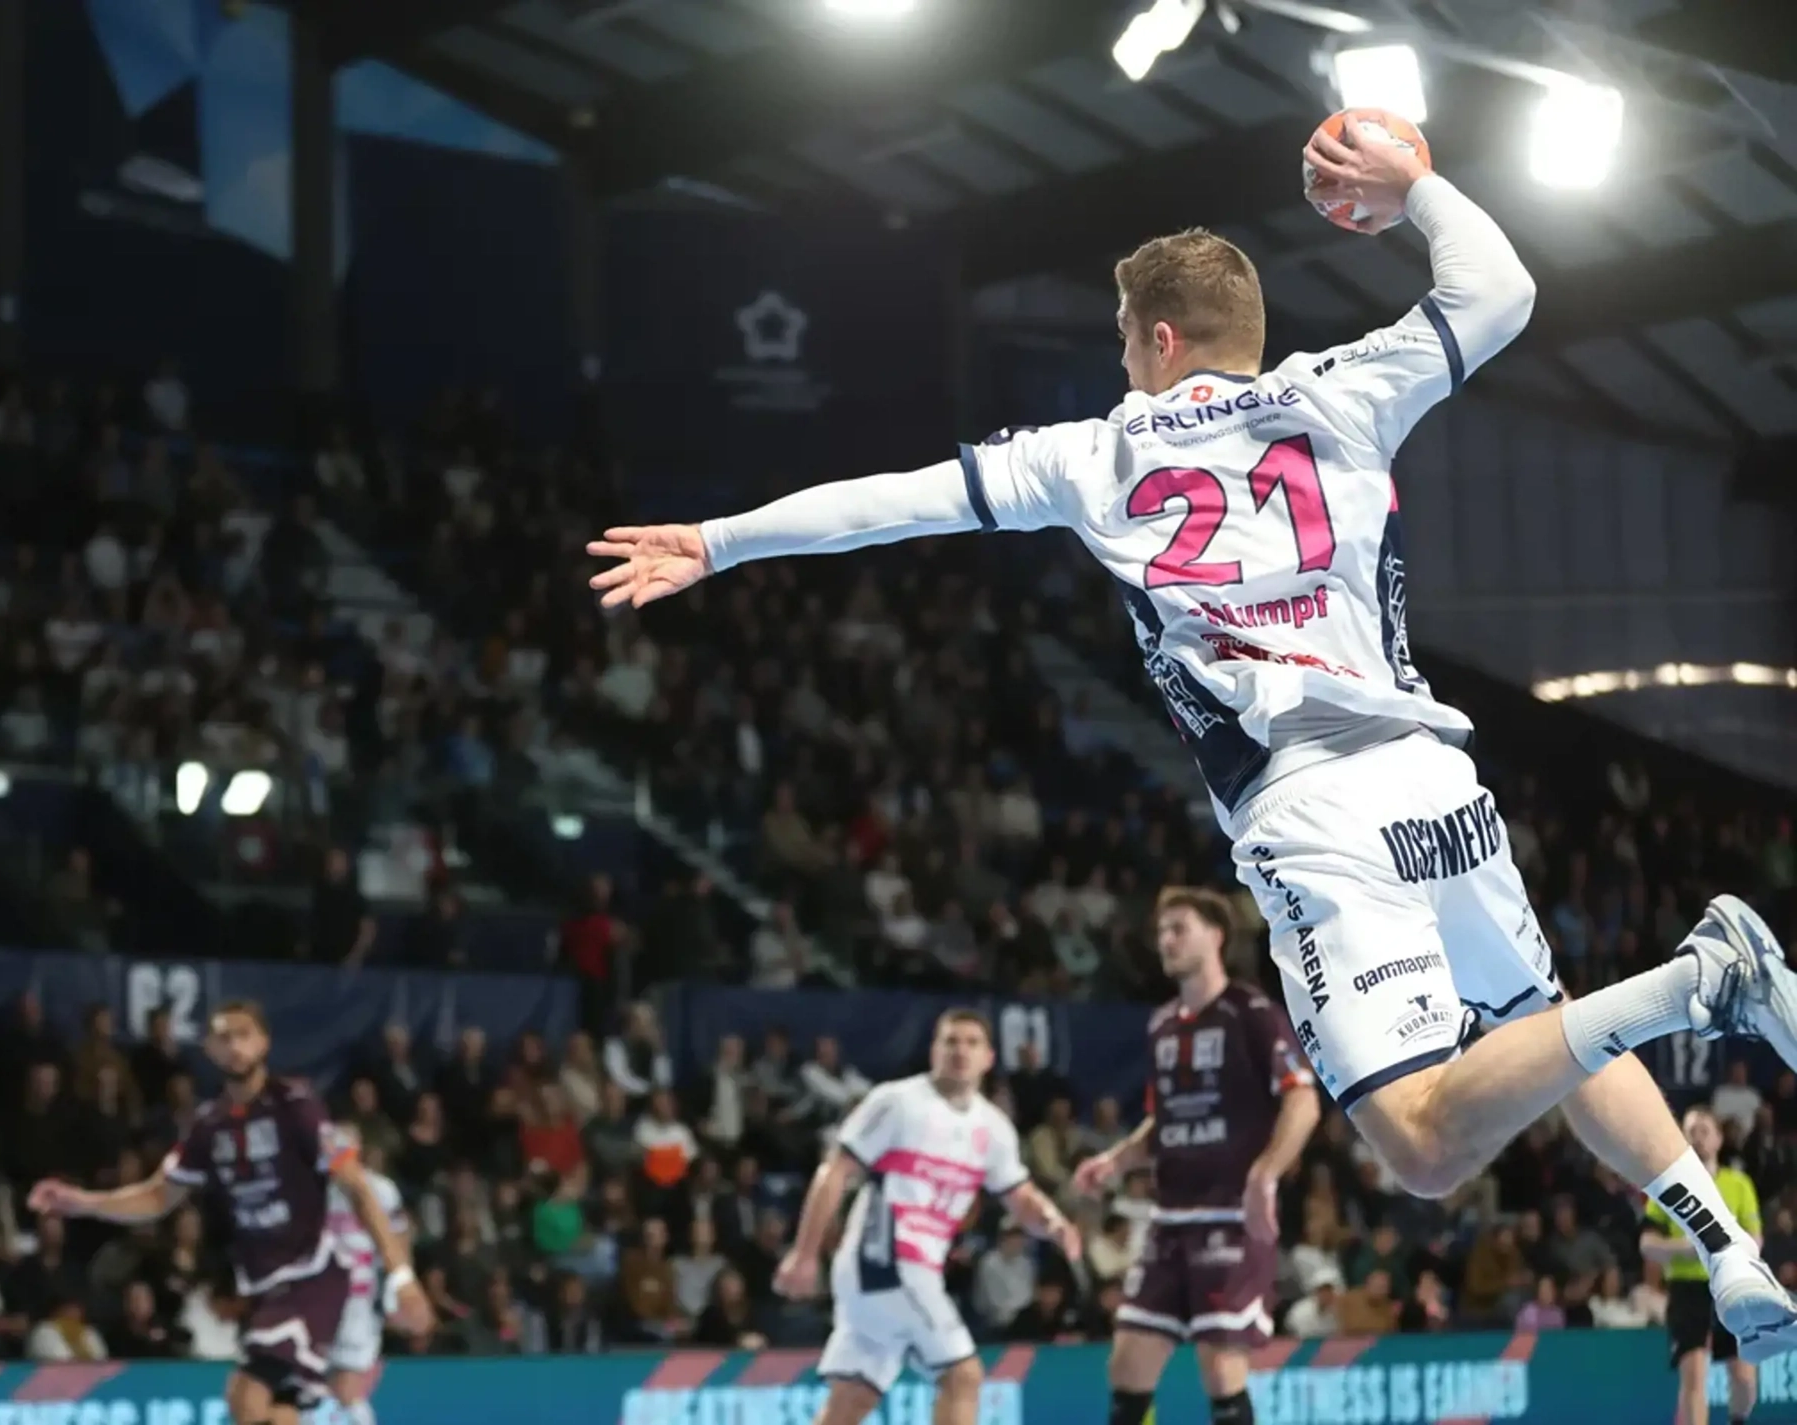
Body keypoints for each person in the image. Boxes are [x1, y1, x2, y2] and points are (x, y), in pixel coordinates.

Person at [585, 129, 1797, 1355]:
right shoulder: (1343, 389)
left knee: (1424, 1146)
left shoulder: (1101, 450)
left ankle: (1701, 978)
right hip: (1436, 778)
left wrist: (720, 539)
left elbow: (897, 502)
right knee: (1541, 1022)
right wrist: (1416, 186)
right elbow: (1503, 291)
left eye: (1123, 332)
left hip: (1313, 807)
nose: (1120, 353)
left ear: (1160, 340)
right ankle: (1728, 1245)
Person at [30, 1000, 432, 1425]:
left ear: (264, 1043)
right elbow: (157, 1197)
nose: (235, 1046)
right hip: (265, 1289)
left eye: (244, 1035)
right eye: (224, 1037)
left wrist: (403, 1277)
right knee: (278, 1412)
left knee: (247, 1396)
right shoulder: (208, 1126)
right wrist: (82, 1202)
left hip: (311, 1277)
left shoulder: (295, 1104)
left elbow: (358, 1187)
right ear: (208, 1048)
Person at [1074, 887, 1320, 1425]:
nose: (1166, 939)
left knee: (1220, 1365)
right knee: (1128, 1367)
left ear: (1216, 935)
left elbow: (1302, 1101)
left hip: (1232, 1218)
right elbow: (1163, 1120)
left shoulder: (1251, 1012)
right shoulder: (1161, 1023)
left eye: (1179, 927)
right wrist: (1115, 1160)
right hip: (1169, 1223)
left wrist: (1265, 1174)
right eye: (1162, 931)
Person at [774, 1010, 1081, 1425]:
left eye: (972, 1043)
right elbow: (836, 1171)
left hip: (906, 1272)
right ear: (934, 1050)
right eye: (951, 1041)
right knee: (963, 1376)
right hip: (884, 1260)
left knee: (851, 1401)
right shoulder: (896, 1101)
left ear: (989, 1058)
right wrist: (805, 1253)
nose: (960, 1051)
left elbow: (1020, 1197)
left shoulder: (994, 1128)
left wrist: (1053, 1222)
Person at [1644, 1106, 1763, 1425]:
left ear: (1719, 1139)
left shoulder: (1739, 1184)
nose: (1697, 1138)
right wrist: (1683, 1248)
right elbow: (1647, 1245)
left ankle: (1738, 1420)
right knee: (1694, 1374)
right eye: (1690, 1132)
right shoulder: (1666, 1187)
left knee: (1744, 1378)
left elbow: (1756, 1240)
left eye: (1704, 1131)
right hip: (1687, 1289)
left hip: (1732, 1285)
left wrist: (1724, 1251)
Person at [325, 1130, 409, 1425]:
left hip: (362, 1303)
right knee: (322, 1393)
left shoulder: (381, 1190)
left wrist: (399, 1289)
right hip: (318, 1304)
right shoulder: (314, 1190)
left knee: (347, 1390)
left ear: (358, 1147)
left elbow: (400, 1240)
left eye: (346, 1143)